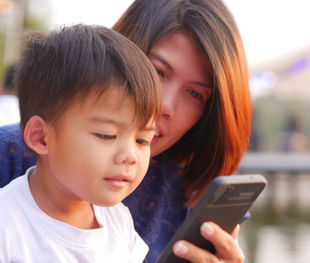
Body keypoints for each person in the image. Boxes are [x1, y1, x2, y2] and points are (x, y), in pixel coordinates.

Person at [0, 0, 251, 262]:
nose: (164, 105)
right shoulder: (9, 156)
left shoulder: (190, 196)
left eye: (194, 93)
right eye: (156, 72)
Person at [0, 24, 161, 262]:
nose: (130, 156)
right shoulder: (7, 225)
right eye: (107, 135)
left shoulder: (118, 220)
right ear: (40, 137)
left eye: (142, 140)